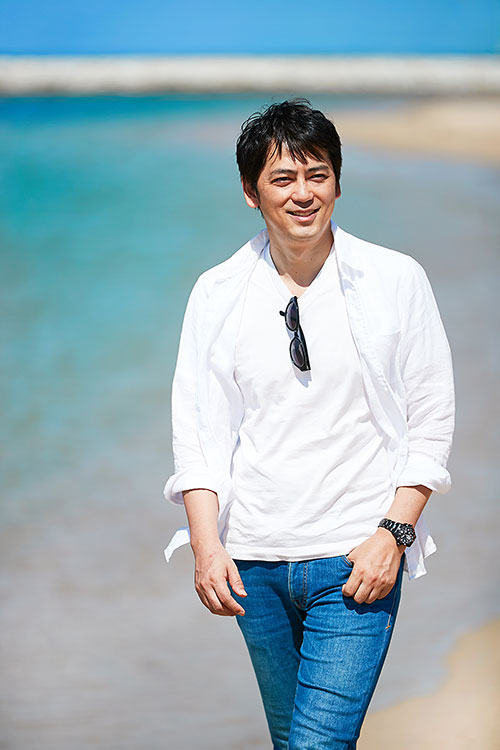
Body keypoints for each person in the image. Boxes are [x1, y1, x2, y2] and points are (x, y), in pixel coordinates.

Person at [162, 99, 455, 749]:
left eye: (317, 174)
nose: (303, 193)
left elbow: (432, 417)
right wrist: (206, 546)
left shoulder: (394, 279)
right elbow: (199, 431)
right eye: (283, 178)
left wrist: (394, 533)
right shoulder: (217, 292)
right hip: (253, 565)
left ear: (338, 183)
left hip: (355, 561)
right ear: (251, 192)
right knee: (292, 742)